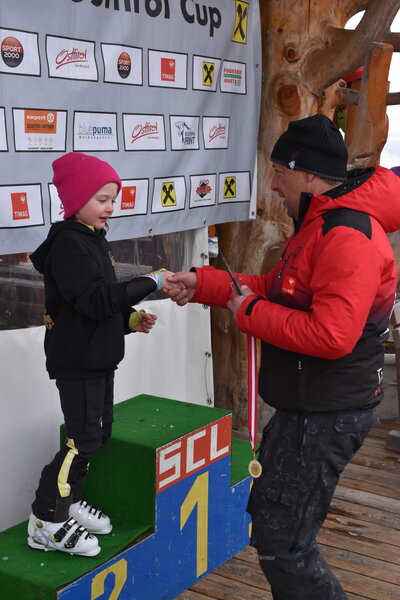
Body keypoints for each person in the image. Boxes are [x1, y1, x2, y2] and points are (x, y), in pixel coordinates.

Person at [165, 114, 400, 599]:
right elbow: (277, 290)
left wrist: (248, 312)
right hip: (307, 408)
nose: (273, 184)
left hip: (327, 413)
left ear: (309, 173)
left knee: (283, 544)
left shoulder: (347, 235)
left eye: (279, 172)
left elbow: (331, 335)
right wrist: (206, 283)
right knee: (273, 527)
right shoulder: (319, 224)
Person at [28, 152, 172, 557]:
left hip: (97, 357)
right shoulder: (70, 245)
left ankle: (68, 503)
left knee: (97, 435)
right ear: (76, 200)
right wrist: (152, 281)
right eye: (103, 199)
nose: (112, 207)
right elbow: (93, 301)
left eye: (114, 198)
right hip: (77, 360)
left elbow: (97, 304)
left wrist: (129, 320)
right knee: (82, 441)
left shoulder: (92, 239)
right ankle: (46, 520)